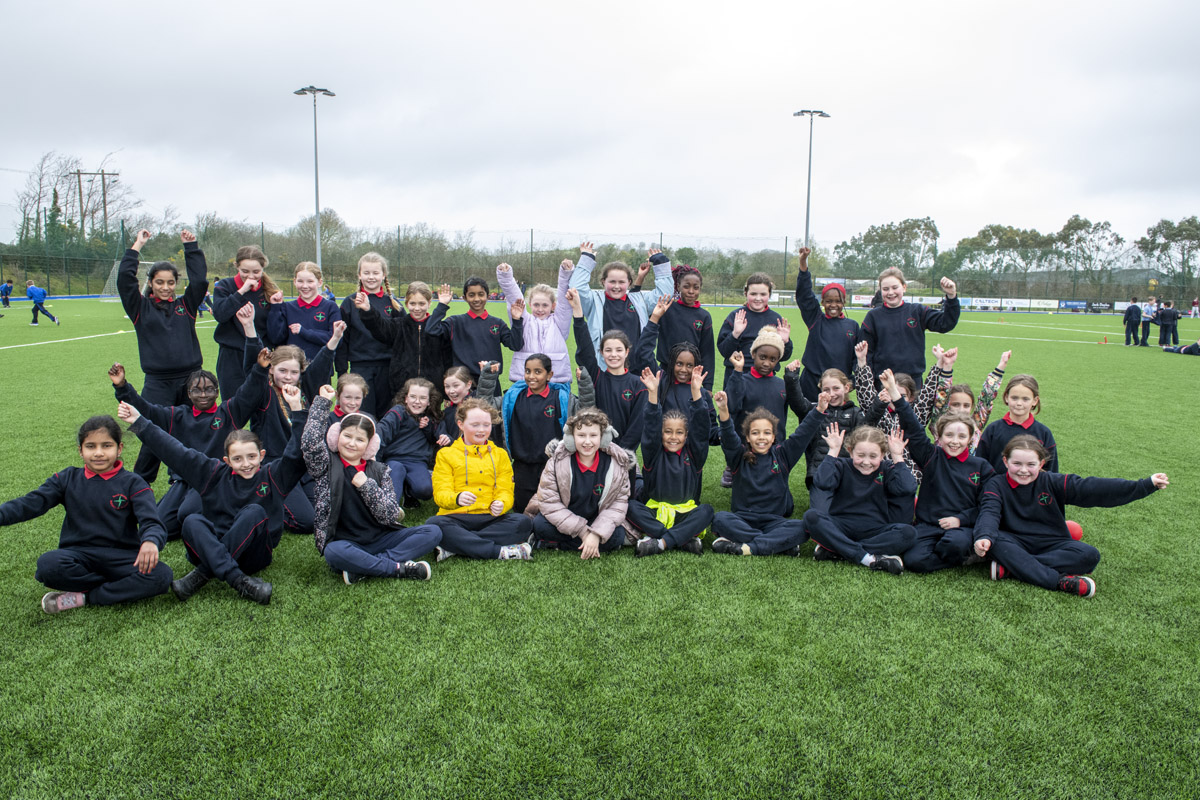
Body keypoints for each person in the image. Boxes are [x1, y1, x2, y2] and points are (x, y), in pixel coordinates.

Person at [118, 388, 309, 606]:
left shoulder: (273, 476)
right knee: (191, 520)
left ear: (262, 456)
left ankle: (202, 574)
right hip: (211, 547)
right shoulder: (213, 474)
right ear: (227, 460)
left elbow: (295, 453)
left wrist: (296, 408)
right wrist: (139, 423)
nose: (246, 464)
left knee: (255, 512)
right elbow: (174, 451)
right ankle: (239, 581)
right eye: (238, 459)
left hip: (253, 555)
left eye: (251, 457)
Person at [0, 415, 171, 614]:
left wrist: (150, 541)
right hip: (78, 556)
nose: (99, 453)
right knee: (48, 565)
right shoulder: (66, 478)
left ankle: (85, 597)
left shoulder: (134, 483)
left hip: (123, 558)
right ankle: (117, 587)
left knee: (162, 575)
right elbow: (31, 503)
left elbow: (152, 521)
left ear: (119, 448)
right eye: (91, 446)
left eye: (107, 446)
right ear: (80, 451)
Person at [973, 435, 1169, 597]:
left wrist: (1145, 485)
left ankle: (1013, 567)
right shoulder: (996, 484)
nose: (1023, 470)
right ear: (1005, 461)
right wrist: (984, 536)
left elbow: (1094, 488)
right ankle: (1059, 582)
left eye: (1031, 464)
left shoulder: (1052, 481)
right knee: (996, 542)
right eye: (1017, 463)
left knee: (1090, 555)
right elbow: (989, 512)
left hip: (1052, 542)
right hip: (1014, 541)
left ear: (1041, 464)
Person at [303, 387, 441, 584]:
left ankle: (367, 566)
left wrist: (367, 486)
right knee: (333, 551)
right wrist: (322, 403)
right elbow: (310, 443)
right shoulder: (325, 465)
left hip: (381, 538)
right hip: (346, 543)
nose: (352, 444)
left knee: (433, 532)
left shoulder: (380, 470)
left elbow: (389, 515)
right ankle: (397, 568)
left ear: (370, 445)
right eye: (347, 436)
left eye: (360, 439)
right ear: (336, 437)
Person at [108, 363, 260, 539]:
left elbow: (248, 392)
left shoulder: (228, 413)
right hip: (183, 481)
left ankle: (222, 510)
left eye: (209, 389)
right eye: (197, 390)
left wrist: (260, 368)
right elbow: (145, 410)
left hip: (213, 480)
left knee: (187, 513)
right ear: (188, 394)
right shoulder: (176, 416)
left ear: (217, 392)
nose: (203, 395)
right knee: (161, 525)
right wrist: (121, 386)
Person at [117, 228, 210, 484]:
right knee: (151, 434)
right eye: (160, 282)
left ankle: (185, 481)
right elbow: (124, 280)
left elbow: (200, 282)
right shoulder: (140, 307)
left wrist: (191, 248)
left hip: (192, 380)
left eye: (170, 283)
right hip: (158, 383)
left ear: (176, 284)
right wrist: (137, 245)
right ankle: (139, 485)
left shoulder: (185, 306)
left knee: (192, 431)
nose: (166, 288)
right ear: (151, 283)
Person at [882, 370, 995, 573]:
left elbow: (986, 505)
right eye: (949, 435)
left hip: (960, 528)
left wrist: (960, 519)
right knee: (914, 561)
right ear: (940, 437)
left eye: (962, 436)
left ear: (970, 439)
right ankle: (965, 558)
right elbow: (914, 428)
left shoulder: (981, 467)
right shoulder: (931, 456)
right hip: (928, 526)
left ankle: (961, 550)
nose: (954, 441)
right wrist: (895, 395)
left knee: (955, 543)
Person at [709, 388, 829, 557]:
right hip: (743, 519)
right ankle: (777, 544)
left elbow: (802, 434)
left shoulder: (783, 455)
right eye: (755, 433)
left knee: (802, 527)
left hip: (774, 521)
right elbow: (728, 436)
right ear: (748, 437)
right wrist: (723, 410)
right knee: (720, 519)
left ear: (773, 437)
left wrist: (819, 410)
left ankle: (748, 547)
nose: (761, 437)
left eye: (767, 433)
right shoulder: (738, 456)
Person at [479, 354, 594, 515]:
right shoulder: (513, 397)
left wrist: (584, 383)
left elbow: (585, 412)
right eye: (528, 371)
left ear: (549, 375)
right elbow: (485, 407)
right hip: (522, 466)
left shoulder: (561, 397)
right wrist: (488, 377)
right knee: (522, 510)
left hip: (553, 465)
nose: (531, 376)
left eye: (538, 372)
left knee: (553, 510)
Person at [801, 423, 917, 575]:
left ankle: (838, 549)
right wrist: (833, 451)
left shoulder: (886, 468)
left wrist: (897, 456)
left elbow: (908, 488)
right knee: (811, 517)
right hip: (841, 526)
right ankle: (868, 558)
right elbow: (822, 482)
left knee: (909, 533)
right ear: (850, 452)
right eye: (860, 455)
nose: (866, 462)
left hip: (875, 531)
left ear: (882, 455)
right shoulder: (842, 465)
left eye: (873, 456)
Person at [427, 399, 534, 561]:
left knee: (523, 522)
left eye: (486, 425)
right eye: (475, 425)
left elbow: (506, 490)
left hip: (490, 517)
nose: (481, 430)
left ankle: (456, 545)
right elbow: (441, 493)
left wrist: (502, 503)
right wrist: (457, 498)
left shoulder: (500, 455)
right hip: (455, 516)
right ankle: (499, 552)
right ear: (461, 424)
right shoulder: (445, 455)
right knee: (434, 525)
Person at [629, 367, 713, 556]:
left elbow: (701, 429)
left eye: (679, 432)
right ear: (661, 434)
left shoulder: (694, 455)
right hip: (656, 513)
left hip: (684, 514)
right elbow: (651, 425)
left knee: (706, 511)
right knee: (630, 506)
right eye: (668, 432)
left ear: (686, 435)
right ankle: (683, 539)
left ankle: (660, 543)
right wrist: (653, 393)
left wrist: (696, 392)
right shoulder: (653, 453)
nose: (673, 437)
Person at [526, 409, 632, 557]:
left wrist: (596, 534)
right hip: (566, 518)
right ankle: (588, 544)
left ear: (603, 438)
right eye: (581, 435)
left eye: (593, 435)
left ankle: (557, 544)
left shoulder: (617, 464)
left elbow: (618, 504)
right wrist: (583, 532)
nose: (587, 441)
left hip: (596, 520)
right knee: (540, 524)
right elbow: (550, 503)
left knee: (618, 534)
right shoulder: (557, 462)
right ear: (571, 437)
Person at [569, 241, 675, 365]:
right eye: (612, 282)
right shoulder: (594, 300)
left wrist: (660, 262)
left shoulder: (640, 300)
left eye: (621, 282)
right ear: (603, 282)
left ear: (629, 282)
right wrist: (587, 259)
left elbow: (665, 294)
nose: (616, 286)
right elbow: (576, 288)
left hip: (636, 368)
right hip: (604, 369)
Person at [569, 289, 647, 457]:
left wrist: (621, 452)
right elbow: (585, 349)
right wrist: (578, 313)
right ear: (602, 353)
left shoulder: (638, 384)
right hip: (596, 452)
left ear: (627, 352)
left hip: (624, 455)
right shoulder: (597, 376)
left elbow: (637, 425)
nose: (613, 355)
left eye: (619, 350)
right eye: (608, 350)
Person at [354, 280, 451, 408]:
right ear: (406, 304)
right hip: (402, 390)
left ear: (429, 303)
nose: (417, 308)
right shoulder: (398, 325)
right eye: (412, 303)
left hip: (432, 391)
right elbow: (379, 327)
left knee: (430, 420)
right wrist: (368, 310)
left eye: (421, 303)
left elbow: (447, 360)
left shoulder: (438, 329)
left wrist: (446, 392)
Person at [858, 267, 960, 385]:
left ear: (904, 287)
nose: (890, 292)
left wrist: (951, 296)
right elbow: (867, 353)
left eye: (895, 287)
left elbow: (945, 324)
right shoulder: (873, 316)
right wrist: (868, 382)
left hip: (912, 383)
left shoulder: (917, 311)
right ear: (880, 291)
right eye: (885, 289)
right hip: (883, 382)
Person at [425, 280, 525, 397]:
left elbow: (516, 345)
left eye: (481, 294)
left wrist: (516, 321)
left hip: (491, 383)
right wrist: (442, 305)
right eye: (471, 295)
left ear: (487, 296)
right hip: (463, 385)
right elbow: (431, 330)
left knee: (492, 410)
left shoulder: (497, 323)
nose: (477, 299)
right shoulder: (455, 322)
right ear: (465, 298)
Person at [336, 252, 406, 418]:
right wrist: (342, 373)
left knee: (387, 416)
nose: (371, 277)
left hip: (388, 369)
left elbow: (402, 340)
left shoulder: (393, 304)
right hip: (360, 368)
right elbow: (342, 341)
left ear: (383, 275)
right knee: (362, 416)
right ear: (359, 275)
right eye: (366, 273)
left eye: (375, 273)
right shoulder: (349, 303)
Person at [210, 245, 280, 399]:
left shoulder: (269, 290)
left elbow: (275, 331)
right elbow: (220, 315)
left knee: (263, 406)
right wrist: (241, 291)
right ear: (236, 266)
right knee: (232, 406)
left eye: (256, 272)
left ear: (263, 267)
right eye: (245, 271)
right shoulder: (224, 286)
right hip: (231, 358)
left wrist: (277, 307)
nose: (251, 276)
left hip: (261, 356)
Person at [793, 246, 859, 401]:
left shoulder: (853, 326)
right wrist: (803, 263)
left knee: (837, 416)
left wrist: (854, 380)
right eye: (829, 301)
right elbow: (804, 295)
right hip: (812, 383)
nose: (833, 305)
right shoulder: (816, 319)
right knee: (811, 416)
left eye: (838, 301)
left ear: (844, 302)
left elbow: (858, 357)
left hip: (838, 386)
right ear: (822, 302)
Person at [495, 259, 573, 387]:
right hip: (525, 379)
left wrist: (565, 273)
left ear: (553, 306)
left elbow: (564, 302)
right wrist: (506, 276)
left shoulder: (559, 322)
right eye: (536, 305)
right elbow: (514, 298)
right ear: (530, 304)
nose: (540, 309)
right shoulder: (525, 320)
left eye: (545, 305)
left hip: (555, 379)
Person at [717, 272, 794, 389]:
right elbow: (724, 350)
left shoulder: (775, 320)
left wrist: (785, 342)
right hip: (736, 375)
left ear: (769, 294)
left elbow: (784, 356)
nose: (758, 298)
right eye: (753, 294)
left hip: (766, 377)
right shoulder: (735, 316)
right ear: (745, 293)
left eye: (763, 294)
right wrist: (735, 334)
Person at [926, 350, 1011, 455]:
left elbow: (986, 398)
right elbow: (941, 397)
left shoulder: (975, 423)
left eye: (966, 405)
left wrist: (1001, 365)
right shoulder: (940, 423)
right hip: (942, 465)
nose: (961, 409)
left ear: (972, 407)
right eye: (955, 404)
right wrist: (947, 366)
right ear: (948, 405)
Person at [975, 374, 1057, 475]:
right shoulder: (993, 430)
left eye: (1025, 399)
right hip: (995, 485)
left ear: (1035, 401)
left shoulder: (1044, 433)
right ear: (1006, 397)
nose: (1019, 403)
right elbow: (979, 465)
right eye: (1014, 398)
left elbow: (1051, 473)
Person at [376, 378, 440, 507]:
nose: (417, 401)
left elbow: (436, 438)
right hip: (394, 459)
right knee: (396, 470)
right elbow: (381, 433)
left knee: (425, 490)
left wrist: (429, 428)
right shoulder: (398, 412)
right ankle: (392, 509)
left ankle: (408, 491)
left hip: (417, 462)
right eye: (413, 397)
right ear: (405, 398)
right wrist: (375, 461)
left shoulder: (430, 419)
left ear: (429, 401)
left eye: (422, 398)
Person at [655, 263, 715, 391]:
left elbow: (707, 352)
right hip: (666, 376)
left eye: (696, 287)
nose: (691, 291)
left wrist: (708, 386)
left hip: (690, 376)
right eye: (686, 286)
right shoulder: (667, 309)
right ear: (678, 286)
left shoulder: (704, 316)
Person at [267, 262, 341, 362]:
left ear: (319, 282)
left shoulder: (331, 307)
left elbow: (336, 339)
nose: (305, 286)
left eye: (310, 281)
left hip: (321, 367)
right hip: (293, 368)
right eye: (300, 281)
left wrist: (304, 332)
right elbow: (275, 338)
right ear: (294, 282)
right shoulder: (287, 307)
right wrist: (275, 308)